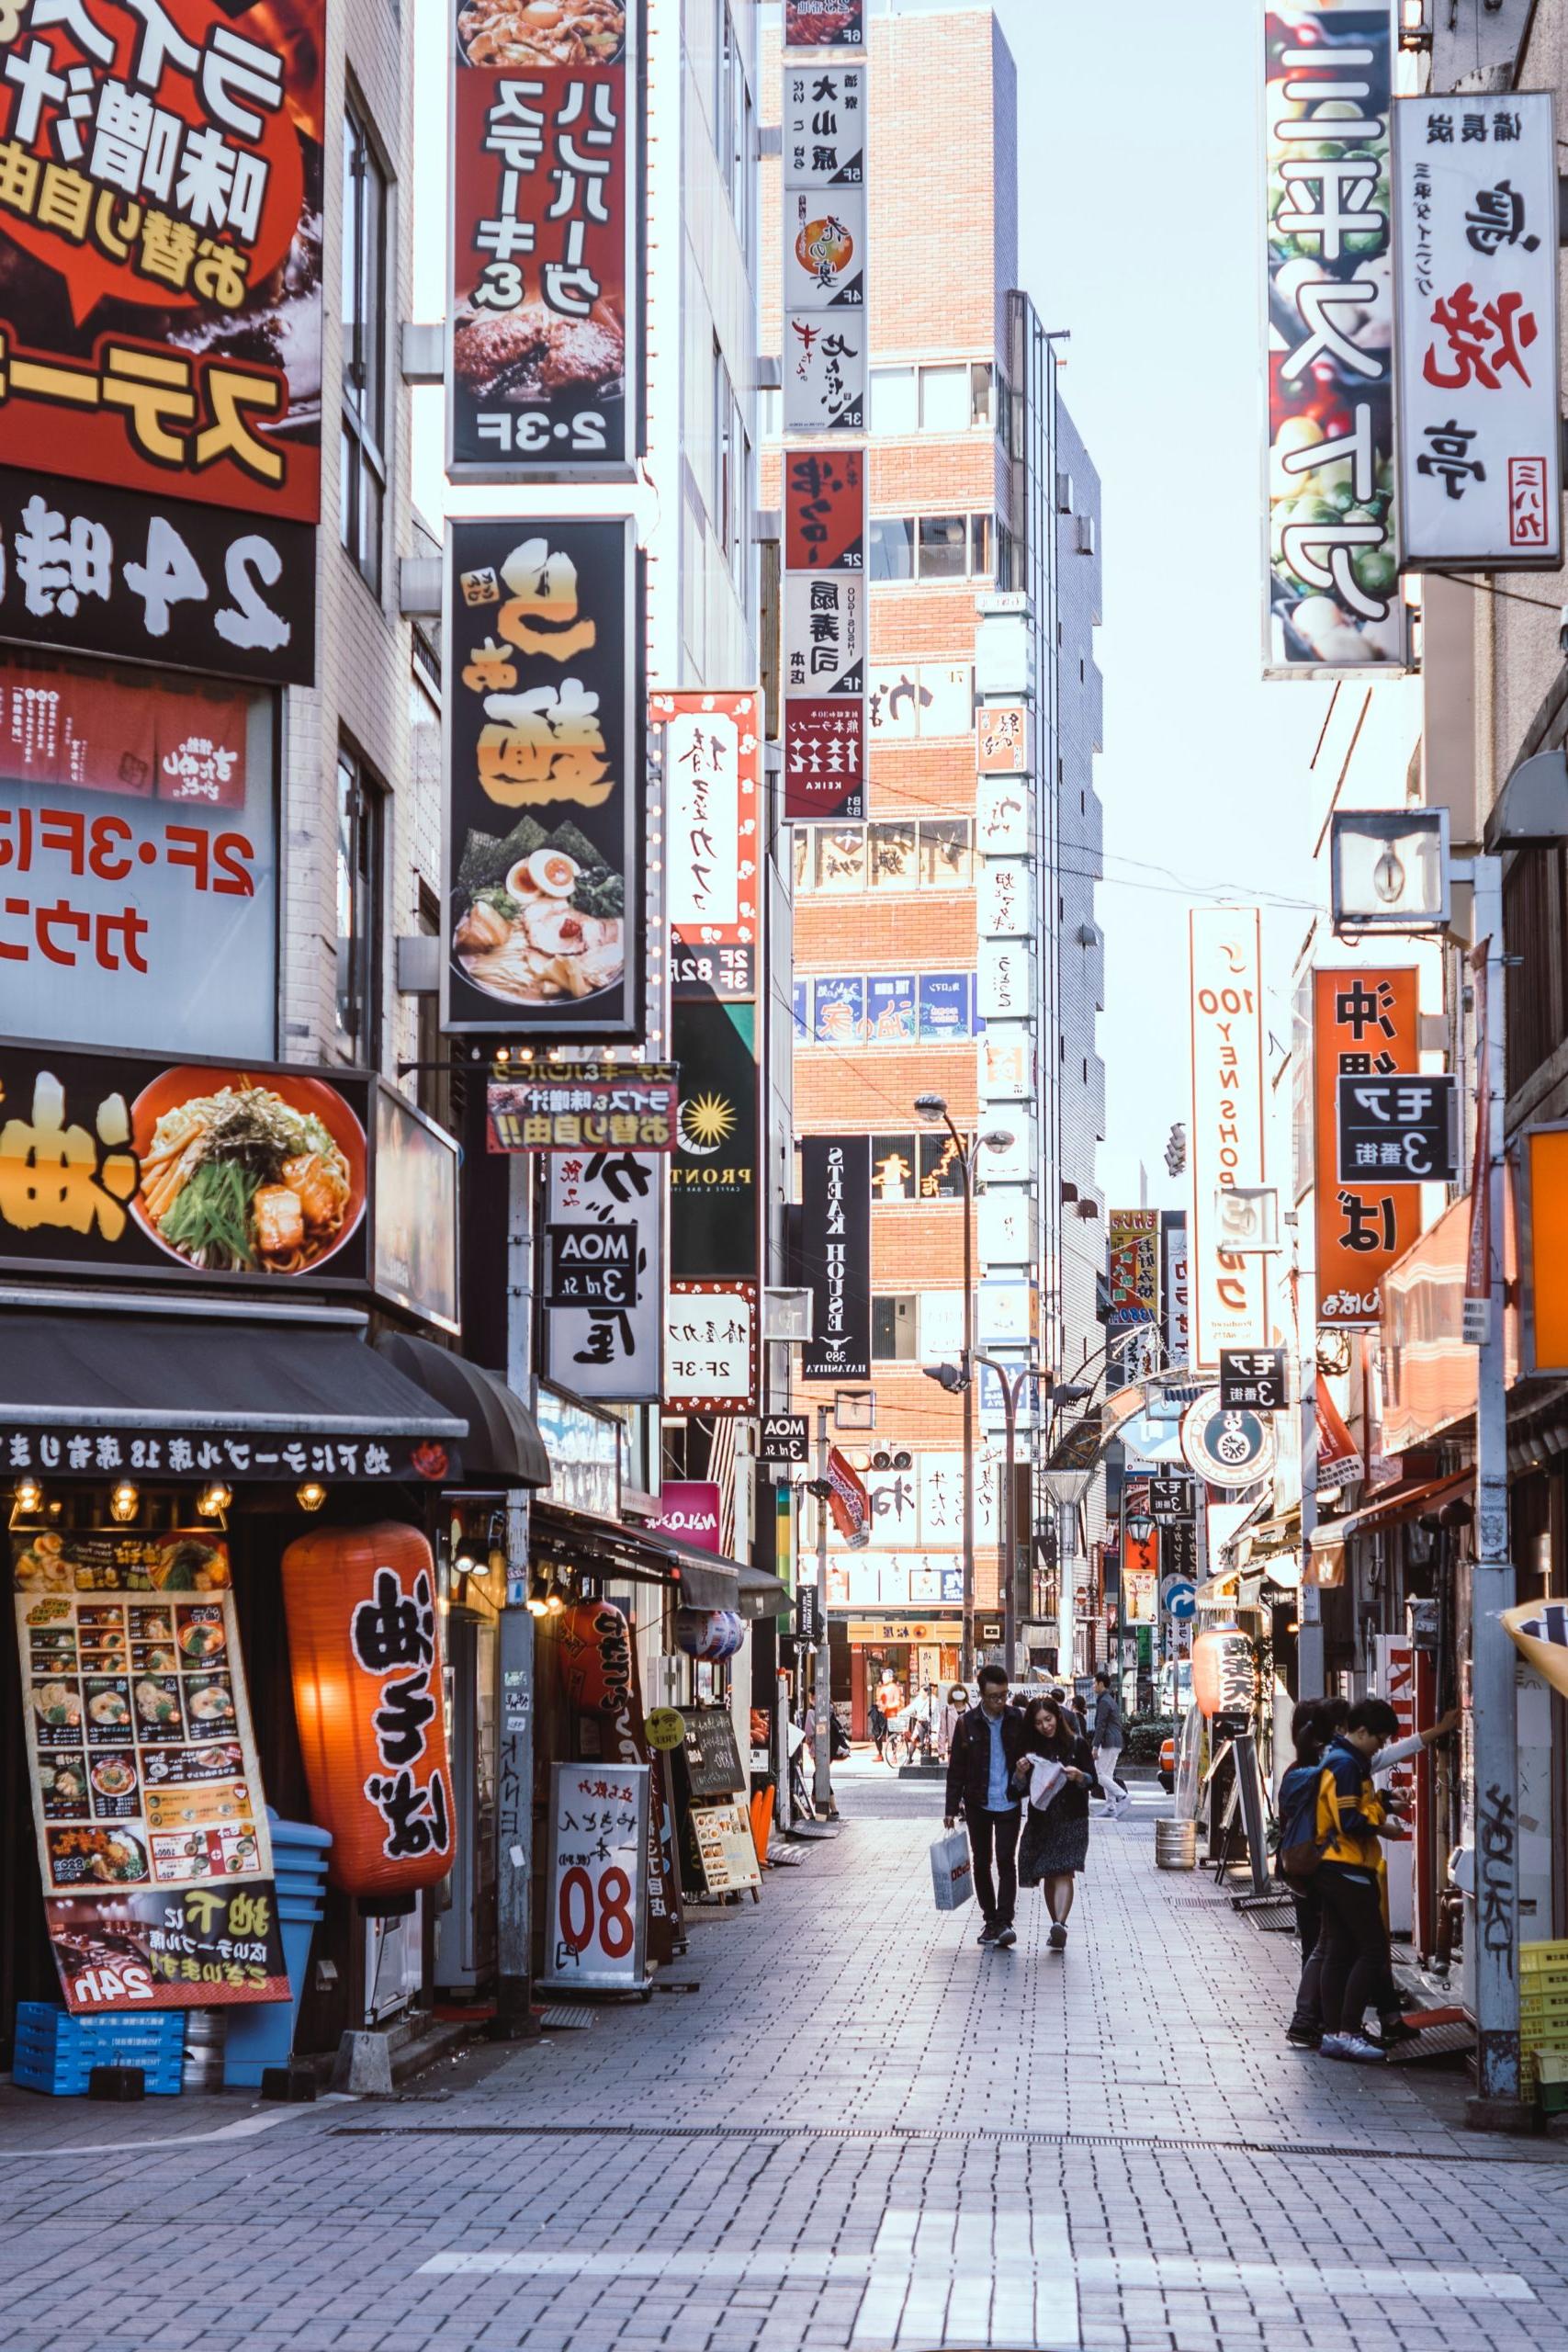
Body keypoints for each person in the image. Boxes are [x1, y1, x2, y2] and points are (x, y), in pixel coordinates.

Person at [1313, 1697, 1410, 2063]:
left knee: (1339, 1953)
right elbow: (1350, 1820)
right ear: (1362, 1731)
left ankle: (1335, 2033)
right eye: (1380, 1739)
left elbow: (1350, 1808)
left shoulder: (1343, 1759)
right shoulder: (1346, 1764)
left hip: (1335, 1867)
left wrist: (1384, 1800)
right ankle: (1348, 2031)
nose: (1381, 1747)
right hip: (1347, 1868)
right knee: (1372, 1950)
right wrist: (1383, 1823)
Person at [943, 1662, 1030, 1949]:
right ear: (980, 1694)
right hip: (978, 1802)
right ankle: (990, 1920)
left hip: (1009, 1801)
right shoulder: (967, 1722)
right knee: (982, 1862)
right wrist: (950, 1808)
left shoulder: (1018, 1718)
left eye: (1004, 1695)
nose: (1000, 1702)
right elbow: (956, 1768)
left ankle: (1005, 1921)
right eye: (993, 1697)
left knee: (1007, 1860)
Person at [1013, 1695, 1096, 1949]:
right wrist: (1019, 1773)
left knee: (1064, 1870)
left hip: (1072, 1816)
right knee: (1050, 1872)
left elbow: (1093, 1780)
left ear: (1058, 1717)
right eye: (1038, 1723)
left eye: (1048, 1719)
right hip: (1042, 1818)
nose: (1045, 1726)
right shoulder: (1030, 1749)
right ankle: (1056, 1925)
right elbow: (1019, 1788)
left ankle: (1060, 1922)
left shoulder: (1077, 1744)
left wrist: (1080, 1776)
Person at [1089, 1670, 1129, 1821]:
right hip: (1116, 1741)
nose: (1093, 1686)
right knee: (1107, 1775)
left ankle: (1122, 1796)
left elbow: (1101, 1725)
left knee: (1099, 1774)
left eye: (1094, 1683)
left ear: (1100, 1684)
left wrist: (1094, 1746)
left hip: (1109, 1741)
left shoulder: (1104, 1701)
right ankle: (1111, 1806)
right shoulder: (1109, 1700)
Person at [939, 1685, 969, 1762]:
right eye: (956, 1691)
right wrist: (941, 1751)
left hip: (970, 1749)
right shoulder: (946, 1711)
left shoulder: (971, 1709)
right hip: (952, 1749)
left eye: (961, 1691)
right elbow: (942, 1732)